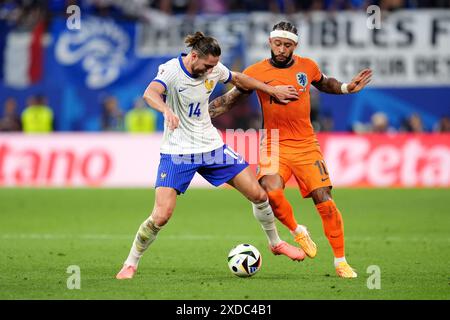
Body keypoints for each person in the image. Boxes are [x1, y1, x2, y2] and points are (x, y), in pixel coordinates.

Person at [116, 31, 303, 280]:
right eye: (207, 65)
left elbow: (239, 79)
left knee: (259, 194)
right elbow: (150, 93)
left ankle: (276, 243)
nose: (212, 71)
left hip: (212, 147)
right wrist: (165, 110)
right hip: (178, 152)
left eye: (215, 65)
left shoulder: (213, 68)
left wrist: (272, 90)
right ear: (194, 56)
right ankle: (131, 263)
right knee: (161, 215)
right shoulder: (171, 70)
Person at [208, 21, 372, 278]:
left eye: (287, 45)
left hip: (306, 144)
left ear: (295, 46)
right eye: (278, 44)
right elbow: (229, 100)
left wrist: (345, 88)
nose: (282, 49)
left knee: (325, 200)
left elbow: (324, 82)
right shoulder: (256, 71)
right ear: (270, 43)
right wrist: (199, 114)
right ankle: (298, 231)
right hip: (273, 143)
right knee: (271, 192)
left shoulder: (307, 66)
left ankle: (341, 262)